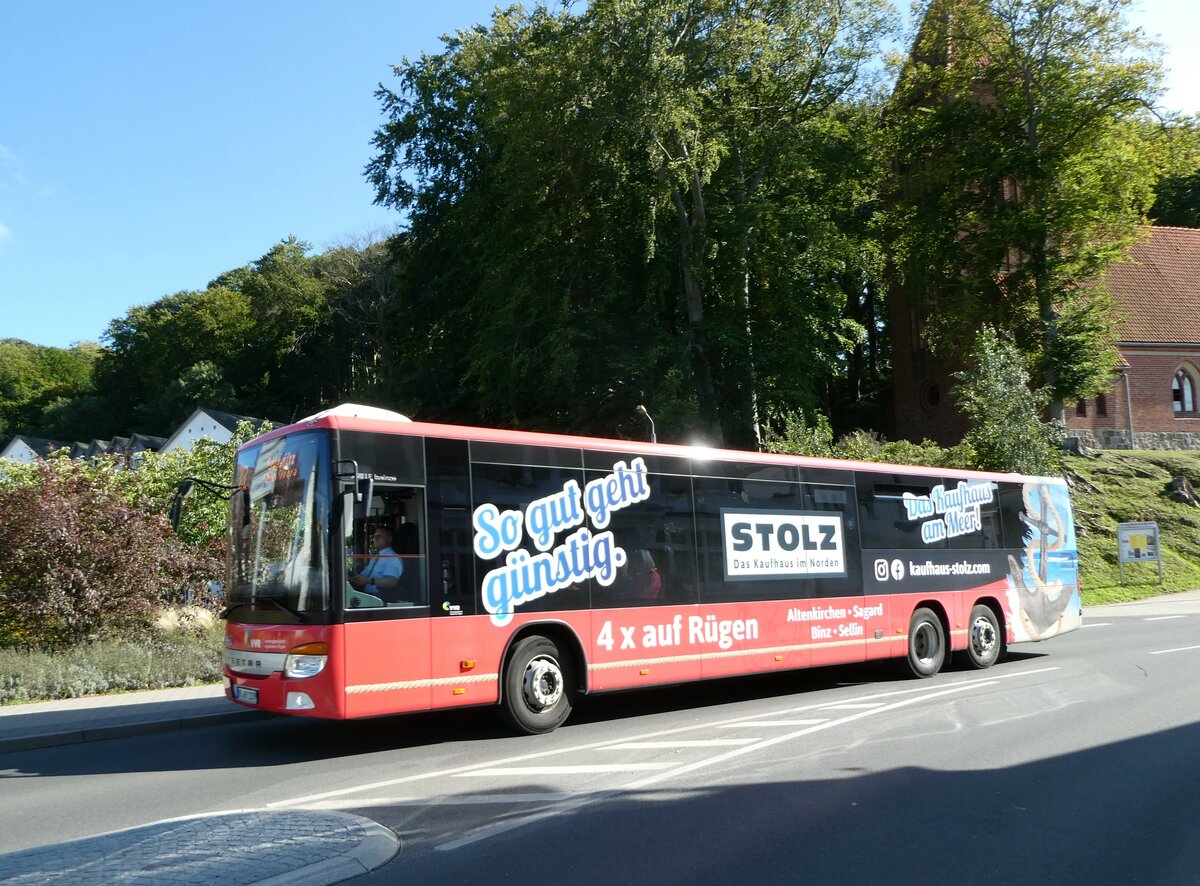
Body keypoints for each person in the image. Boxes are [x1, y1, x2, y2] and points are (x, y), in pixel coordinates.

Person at [348, 526, 403, 599]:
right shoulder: (376, 557)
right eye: (375, 536)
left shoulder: (392, 558)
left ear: (389, 539)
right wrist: (351, 577)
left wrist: (369, 581)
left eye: (379, 536)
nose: (376, 539)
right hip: (365, 595)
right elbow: (364, 576)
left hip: (379, 598)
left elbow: (392, 581)